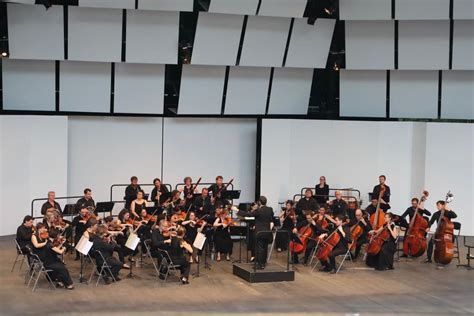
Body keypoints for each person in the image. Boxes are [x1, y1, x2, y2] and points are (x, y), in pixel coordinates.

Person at [31, 223, 74, 289]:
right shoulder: (42, 240)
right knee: (62, 268)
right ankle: (68, 284)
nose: (45, 230)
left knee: (60, 264)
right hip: (44, 260)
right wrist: (64, 247)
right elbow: (60, 251)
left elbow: (53, 248)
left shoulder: (47, 240)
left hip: (48, 256)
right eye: (43, 228)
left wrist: (59, 244)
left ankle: (58, 280)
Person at [239, 196, 274, 269]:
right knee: (265, 248)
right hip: (267, 232)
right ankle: (263, 263)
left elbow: (249, 214)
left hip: (259, 232)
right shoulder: (270, 209)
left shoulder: (259, 210)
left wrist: (237, 210)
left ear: (259, 202)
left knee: (260, 248)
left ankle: (260, 264)